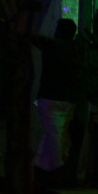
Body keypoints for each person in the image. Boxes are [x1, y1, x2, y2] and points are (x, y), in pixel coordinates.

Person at [35, 18, 80, 179]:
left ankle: (52, 171)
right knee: (53, 136)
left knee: (53, 137)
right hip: (66, 99)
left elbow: (32, 38)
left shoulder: (52, 45)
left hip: (50, 97)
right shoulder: (75, 49)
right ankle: (45, 171)